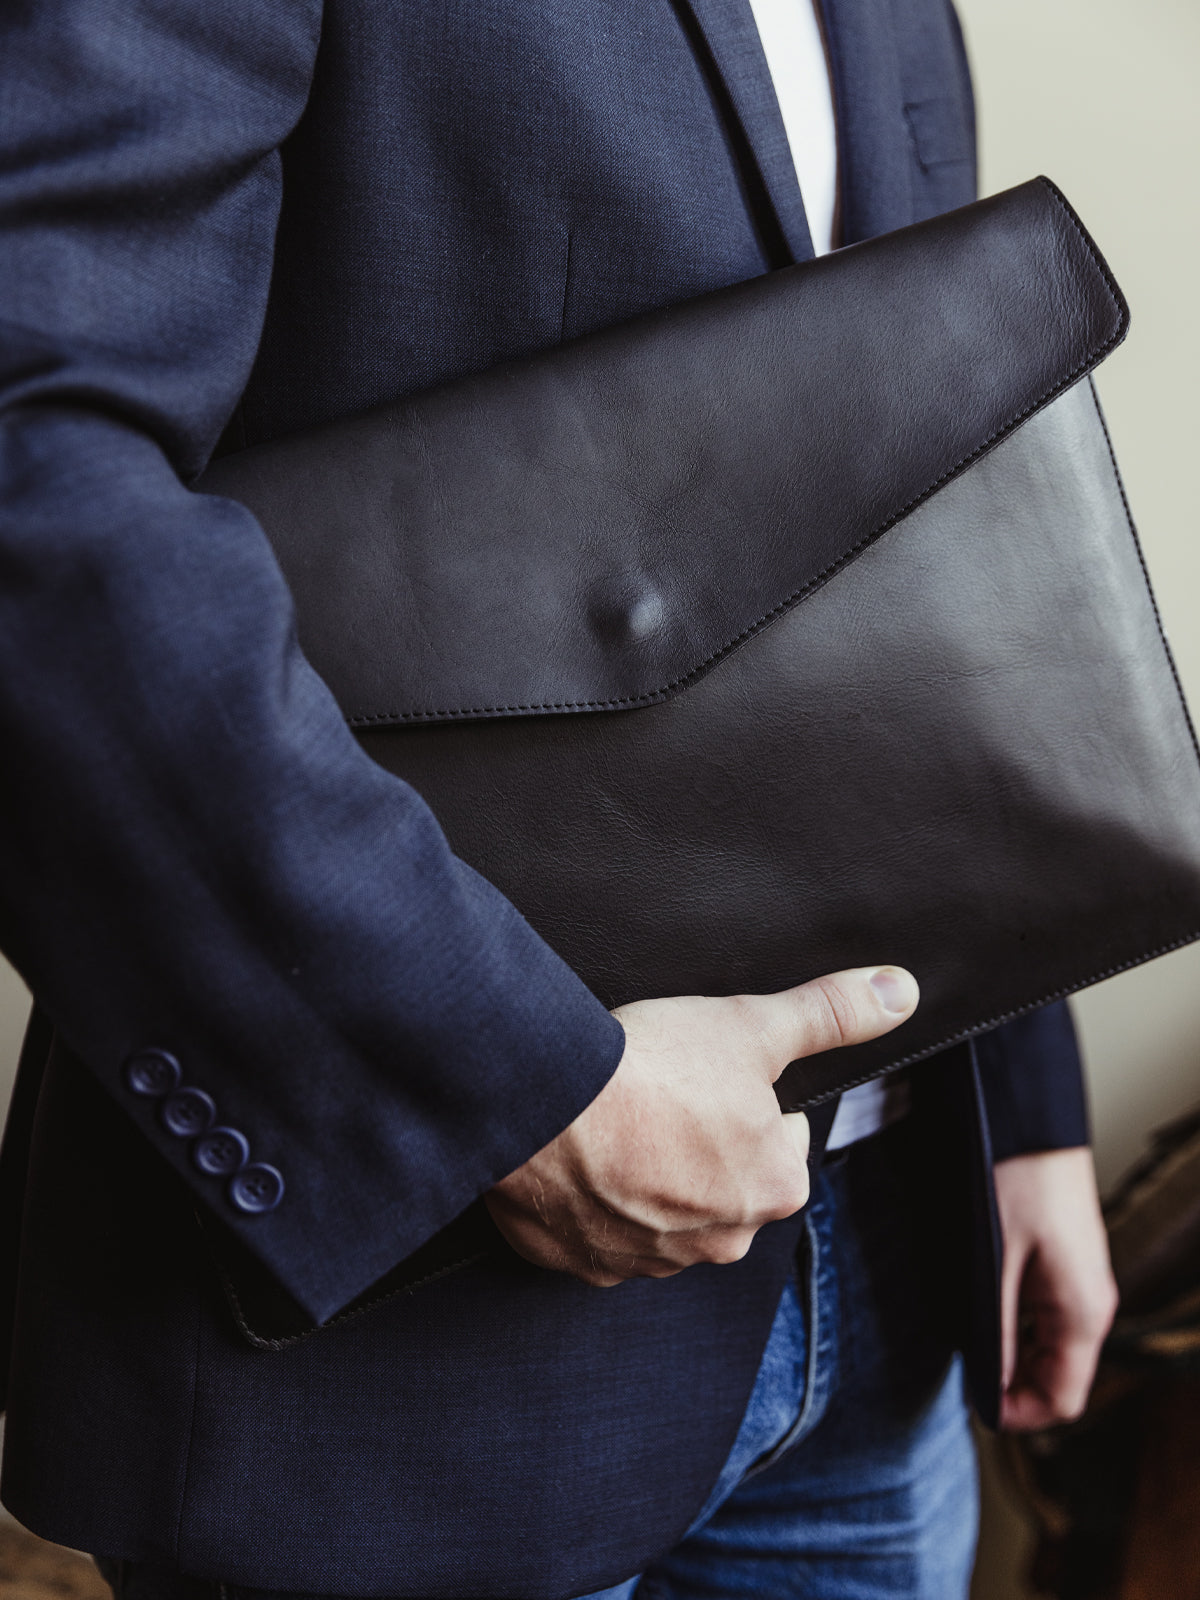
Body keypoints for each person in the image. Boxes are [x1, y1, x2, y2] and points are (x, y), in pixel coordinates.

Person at [0, 1, 1118, 1596]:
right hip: (403, 1363)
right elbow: (32, 467)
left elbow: (928, 490)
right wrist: (517, 1095)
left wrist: (1027, 1111)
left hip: (886, 1298)